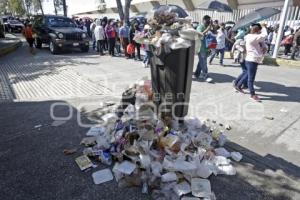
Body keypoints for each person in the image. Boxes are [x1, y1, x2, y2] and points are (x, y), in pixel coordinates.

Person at [234, 23, 267, 101]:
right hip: (251, 59)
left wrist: (264, 47)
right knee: (250, 78)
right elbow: (264, 35)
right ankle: (252, 94)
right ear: (257, 31)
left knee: (246, 74)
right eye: (259, 30)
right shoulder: (252, 37)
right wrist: (264, 27)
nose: (260, 32)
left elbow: (263, 44)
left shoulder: (250, 36)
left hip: (252, 59)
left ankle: (238, 85)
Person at [194, 15, 213, 82]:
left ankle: (196, 74)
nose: (208, 21)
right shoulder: (200, 26)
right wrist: (207, 29)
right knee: (203, 62)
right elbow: (199, 34)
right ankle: (205, 75)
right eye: (207, 20)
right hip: (201, 48)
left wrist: (210, 27)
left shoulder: (207, 26)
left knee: (201, 62)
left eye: (209, 20)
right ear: (203, 20)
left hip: (206, 48)